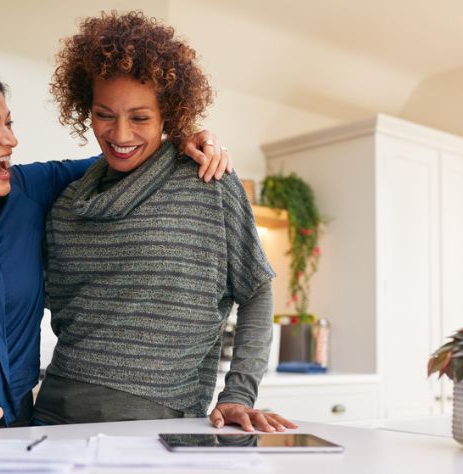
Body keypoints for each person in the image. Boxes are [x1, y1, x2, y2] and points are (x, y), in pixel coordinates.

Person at [0, 66, 228, 435]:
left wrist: (180, 141)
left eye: (9, 124)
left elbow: (124, 155)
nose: (11, 140)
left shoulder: (28, 192)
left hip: (8, 431)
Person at [32, 11, 296, 433]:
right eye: (104, 114)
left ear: (169, 115)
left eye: (140, 118)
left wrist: (238, 394)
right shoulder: (66, 203)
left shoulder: (207, 182)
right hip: (50, 411)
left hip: (158, 419)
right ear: (85, 108)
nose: (120, 134)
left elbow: (257, 292)